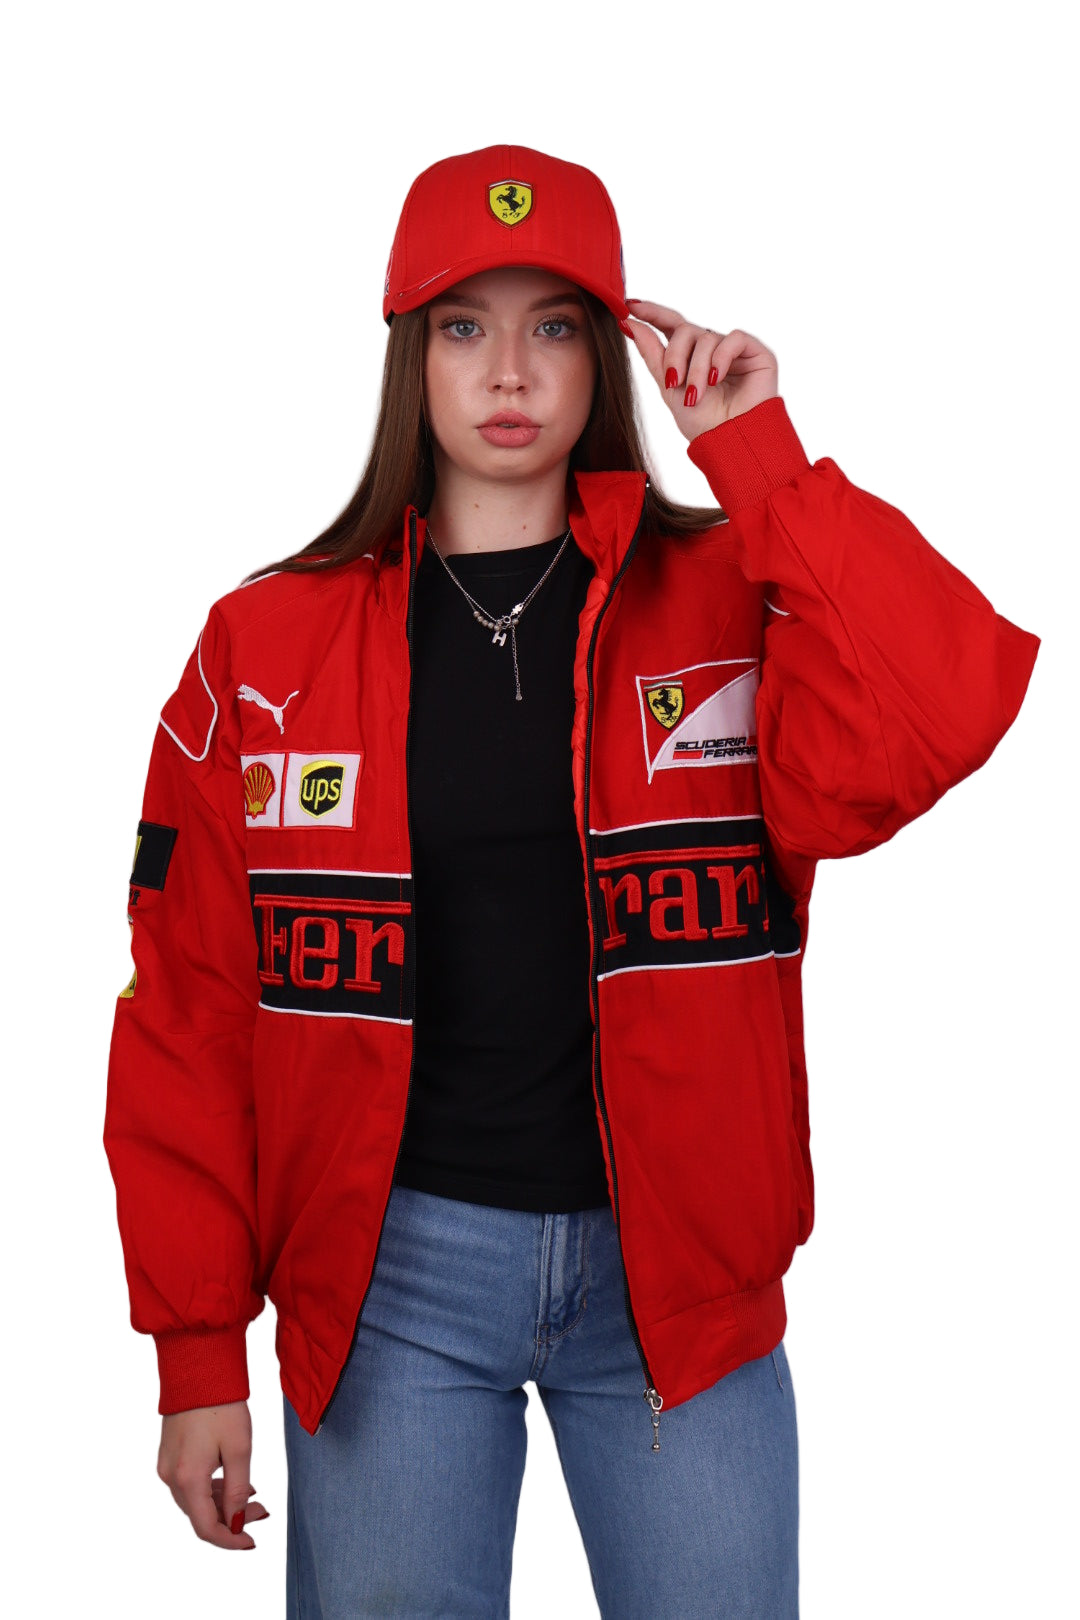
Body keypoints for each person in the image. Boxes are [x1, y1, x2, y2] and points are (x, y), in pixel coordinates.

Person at [103, 143, 1040, 1618]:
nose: (509, 371)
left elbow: (939, 715)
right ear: (410, 359)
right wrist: (197, 1345)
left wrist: (760, 457)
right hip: (389, 1282)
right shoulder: (265, 644)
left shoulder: (733, 600)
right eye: (463, 327)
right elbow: (190, 1008)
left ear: (607, 356)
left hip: (683, 1288)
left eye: (553, 325)